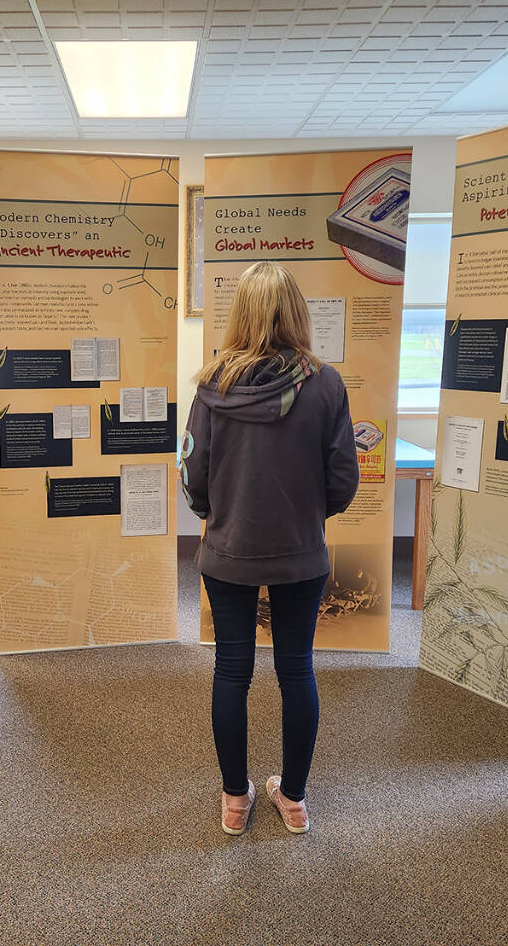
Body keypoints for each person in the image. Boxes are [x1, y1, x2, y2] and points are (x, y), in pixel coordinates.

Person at [180, 261, 359, 836]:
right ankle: (296, 800)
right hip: (301, 553)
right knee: (295, 670)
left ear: (241, 313)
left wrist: (217, 516)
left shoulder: (212, 387)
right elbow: (343, 481)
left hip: (227, 551)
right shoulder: (326, 385)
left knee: (231, 671)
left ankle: (236, 800)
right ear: (298, 312)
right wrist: (308, 517)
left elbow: (193, 473)